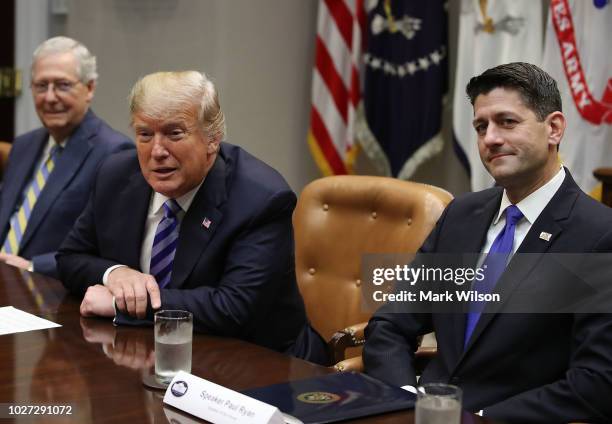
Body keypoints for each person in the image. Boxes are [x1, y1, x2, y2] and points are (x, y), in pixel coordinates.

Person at [363, 63, 612, 422]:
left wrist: (479, 418)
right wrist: (406, 402)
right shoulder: (461, 215)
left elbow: (596, 382)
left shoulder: (598, 235)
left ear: (554, 128)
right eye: (481, 126)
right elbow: (391, 324)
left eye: (507, 122)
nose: (490, 138)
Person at [57, 71, 328, 364]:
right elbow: (70, 257)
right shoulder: (116, 174)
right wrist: (116, 273)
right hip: (147, 356)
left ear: (212, 139)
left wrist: (123, 304)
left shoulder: (261, 198)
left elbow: (233, 308)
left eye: (174, 133)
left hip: (257, 364)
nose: (157, 151)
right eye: (145, 134)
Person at [0, 36, 133, 278]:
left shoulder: (115, 153)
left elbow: (108, 248)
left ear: (89, 88)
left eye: (62, 85)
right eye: (41, 86)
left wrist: (32, 266)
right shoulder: (24, 145)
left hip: (50, 292)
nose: (50, 97)